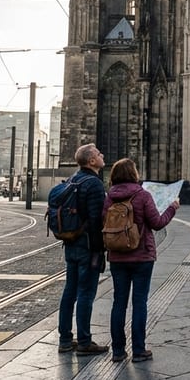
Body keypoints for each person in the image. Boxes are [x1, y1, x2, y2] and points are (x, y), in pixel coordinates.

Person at [104, 157, 179, 363]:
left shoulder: (109, 197)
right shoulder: (143, 195)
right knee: (139, 303)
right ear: (133, 174)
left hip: (117, 256)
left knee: (118, 303)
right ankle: (138, 350)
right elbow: (157, 223)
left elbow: (104, 223)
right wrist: (172, 207)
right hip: (141, 256)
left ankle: (118, 351)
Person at [58, 144, 109, 355]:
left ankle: (65, 340)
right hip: (88, 246)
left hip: (71, 243)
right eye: (98, 153)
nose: (102, 155)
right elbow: (97, 220)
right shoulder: (94, 184)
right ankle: (85, 342)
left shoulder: (72, 180)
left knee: (70, 292)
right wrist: (100, 250)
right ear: (91, 162)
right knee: (86, 293)